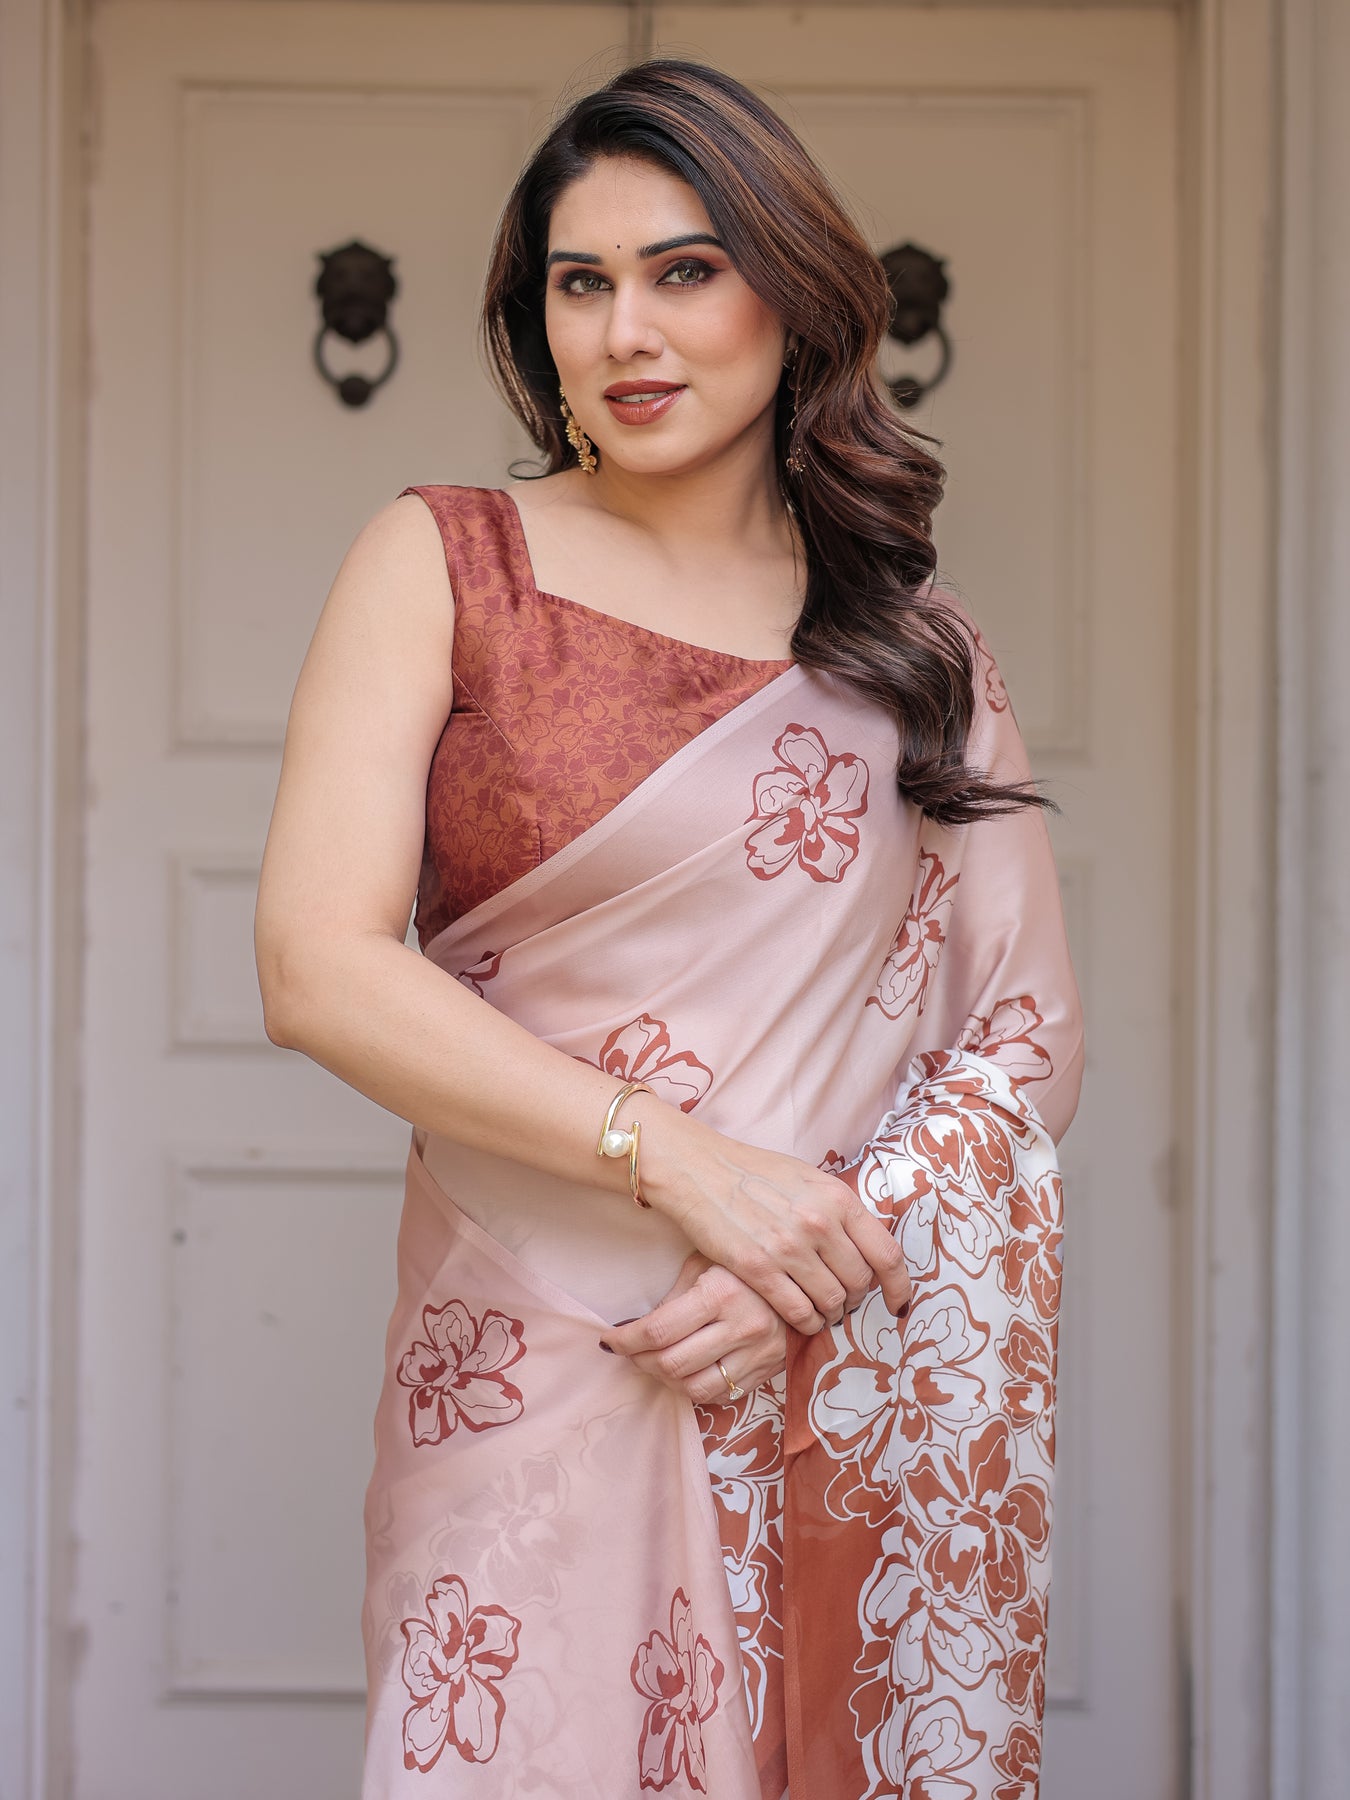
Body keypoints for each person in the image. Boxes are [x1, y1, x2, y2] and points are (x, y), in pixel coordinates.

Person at [255, 58, 1083, 1800]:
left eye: (684, 271)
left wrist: (815, 1262)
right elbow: (317, 966)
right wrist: (686, 1167)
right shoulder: (446, 562)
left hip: (813, 1351)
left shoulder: (914, 646)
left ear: (794, 293)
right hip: (531, 1358)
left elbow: (1019, 1038)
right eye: (581, 283)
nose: (625, 330)